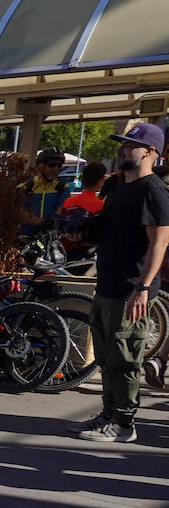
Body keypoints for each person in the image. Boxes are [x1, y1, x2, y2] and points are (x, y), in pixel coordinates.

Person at [71, 123, 169, 443]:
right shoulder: (117, 187)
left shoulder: (154, 191)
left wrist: (143, 287)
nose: (123, 149)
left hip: (130, 289)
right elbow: (107, 229)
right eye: (123, 144)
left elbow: (160, 242)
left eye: (130, 145)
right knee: (106, 356)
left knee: (125, 358)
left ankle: (124, 424)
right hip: (107, 283)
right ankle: (108, 414)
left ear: (151, 152)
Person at [18, 148, 69, 233]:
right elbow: (19, 213)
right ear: (40, 166)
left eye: (59, 166)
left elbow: (59, 214)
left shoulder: (62, 188)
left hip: (50, 238)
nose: (56, 169)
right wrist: (42, 222)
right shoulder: (26, 187)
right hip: (26, 237)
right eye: (52, 165)